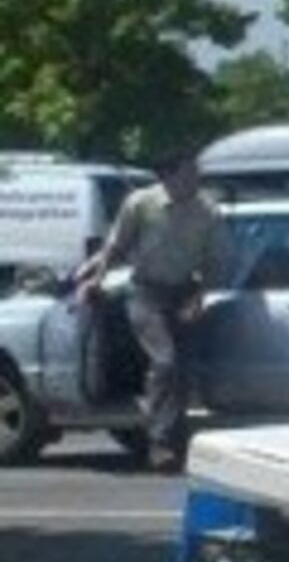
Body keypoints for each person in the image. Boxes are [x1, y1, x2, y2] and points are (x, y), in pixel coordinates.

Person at [71, 149, 224, 468]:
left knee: (181, 370)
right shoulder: (141, 204)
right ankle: (160, 444)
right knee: (165, 361)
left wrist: (198, 299)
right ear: (169, 177)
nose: (195, 179)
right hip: (145, 292)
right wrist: (96, 280)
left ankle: (175, 440)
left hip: (183, 291)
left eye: (196, 173)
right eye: (189, 173)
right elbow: (116, 246)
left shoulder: (207, 210)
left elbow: (213, 261)